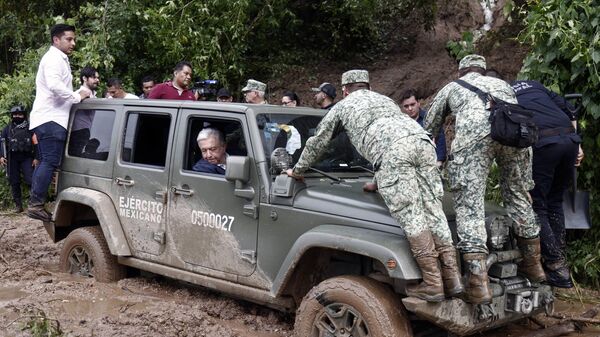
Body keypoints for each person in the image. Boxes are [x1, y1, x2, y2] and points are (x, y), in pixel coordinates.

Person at [286, 70, 463, 302]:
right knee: (433, 209)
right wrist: (377, 182)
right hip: (423, 143)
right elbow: (393, 137)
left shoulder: (343, 106)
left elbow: (319, 141)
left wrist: (298, 170)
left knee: (411, 215)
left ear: (344, 90)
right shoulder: (385, 100)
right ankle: (453, 278)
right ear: (368, 87)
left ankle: (432, 284)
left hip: (395, 154)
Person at [425, 55, 545, 304]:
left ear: (461, 72)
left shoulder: (453, 87)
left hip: (475, 139)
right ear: (482, 70)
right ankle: (534, 266)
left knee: (470, 204)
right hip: (514, 135)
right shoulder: (503, 85)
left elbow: (430, 126)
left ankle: (478, 284)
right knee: (518, 196)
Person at [511, 79, 584, 288]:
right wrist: (577, 144)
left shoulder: (504, 92)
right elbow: (570, 110)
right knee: (555, 201)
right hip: (570, 140)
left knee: (538, 204)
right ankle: (561, 260)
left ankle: (554, 265)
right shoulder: (534, 85)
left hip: (544, 144)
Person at [27, 23, 91, 222]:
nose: (73, 43)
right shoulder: (53, 58)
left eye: (74, 39)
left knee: (48, 160)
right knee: (50, 161)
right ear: (56, 40)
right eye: (69, 39)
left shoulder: (59, 59)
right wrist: (77, 96)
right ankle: (35, 204)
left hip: (52, 118)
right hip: (51, 118)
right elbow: (55, 86)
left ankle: (37, 202)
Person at [0, 106, 38, 213]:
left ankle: (34, 204)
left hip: (27, 157)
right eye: (15, 115)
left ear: (24, 115)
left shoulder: (30, 128)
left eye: (20, 114)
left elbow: (36, 144)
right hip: (12, 159)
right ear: (12, 116)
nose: (17, 116)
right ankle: (18, 206)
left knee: (31, 180)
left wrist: (36, 157)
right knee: (14, 182)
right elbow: (2, 143)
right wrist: (1, 156)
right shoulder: (7, 129)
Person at [400, 89, 447, 165]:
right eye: (406, 106)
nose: (410, 109)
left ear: (418, 103)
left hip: (431, 163)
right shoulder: (400, 124)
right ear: (402, 107)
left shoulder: (430, 118)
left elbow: (440, 139)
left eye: (412, 104)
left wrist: (439, 161)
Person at [70, 66, 100, 155]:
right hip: (78, 133)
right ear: (84, 78)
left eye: (98, 78)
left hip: (86, 131)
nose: (97, 80)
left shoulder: (93, 96)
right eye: (94, 77)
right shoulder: (77, 95)